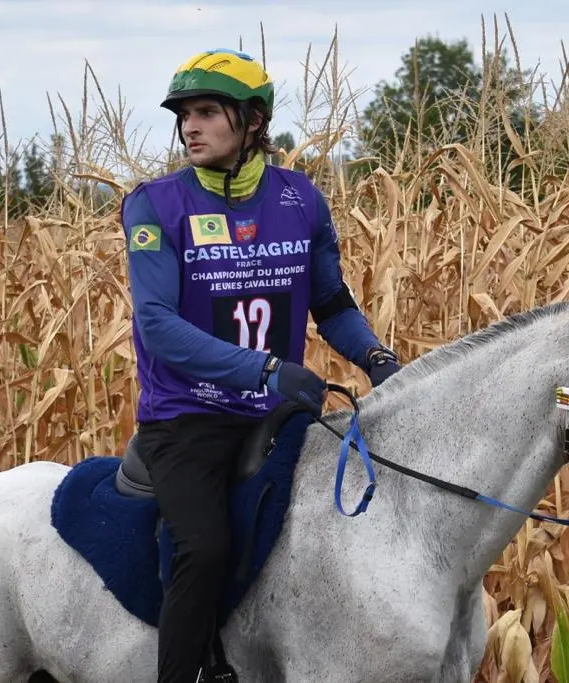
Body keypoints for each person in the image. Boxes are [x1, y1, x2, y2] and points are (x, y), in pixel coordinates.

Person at [120, 47, 402, 682]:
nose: (190, 126)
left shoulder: (299, 199)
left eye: (207, 113)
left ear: (251, 121)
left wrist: (378, 357)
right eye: (184, 115)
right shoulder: (156, 206)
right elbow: (158, 326)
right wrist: (266, 371)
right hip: (187, 419)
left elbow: (332, 305)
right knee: (205, 546)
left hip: (279, 418)